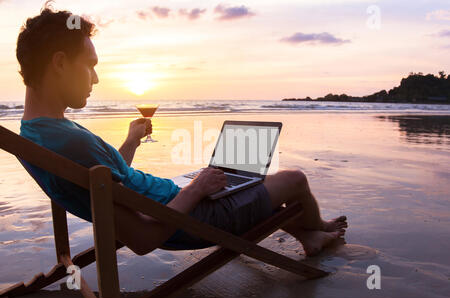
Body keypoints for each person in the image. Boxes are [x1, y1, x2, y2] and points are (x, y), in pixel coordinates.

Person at [17, 7, 347, 257]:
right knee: (294, 179)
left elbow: (108, 180)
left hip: (175, 200)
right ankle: (315, 232)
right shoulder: (67, 140)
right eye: (90, 65)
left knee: (243, 178)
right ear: (59, 63)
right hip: (191, 218)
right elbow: (144, 239)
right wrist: (198, 189)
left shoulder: (38, 134)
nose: (96, 78)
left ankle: (305, 232)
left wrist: (131, 141)